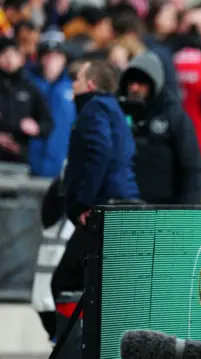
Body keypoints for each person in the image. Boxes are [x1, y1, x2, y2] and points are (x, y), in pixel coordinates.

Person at [51, 59, 140, 358]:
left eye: (77, 79)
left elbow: (99, 151)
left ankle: (75, 352)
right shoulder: (114, 109)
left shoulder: (94, 109)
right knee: (103, 286)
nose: (73, 84)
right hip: (122, 204)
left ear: (89, 84)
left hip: (104, 209)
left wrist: (85, 203)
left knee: (65, 281)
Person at [118, 51, 201, 204]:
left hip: (163, 210)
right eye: (130, 83)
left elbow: (192, 168)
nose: (134, 88)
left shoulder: (173, 116)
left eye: (141, 83)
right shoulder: (116, 114)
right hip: (120, 207)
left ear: (154, 84)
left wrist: (190, 213)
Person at [27, 30, 76, 178]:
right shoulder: (28, 84)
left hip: (61, 166)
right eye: (47, 56)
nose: (51, 61)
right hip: (29, 163)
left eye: (57, 56)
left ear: (64, 59)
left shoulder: (73, 88)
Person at [0, 36, 53, 166]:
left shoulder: (30, 87)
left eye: (13, 54)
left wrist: (37, 128)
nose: (9, 59)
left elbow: (48, 123)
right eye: (4, 54)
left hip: (20, 158)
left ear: (21, 58)